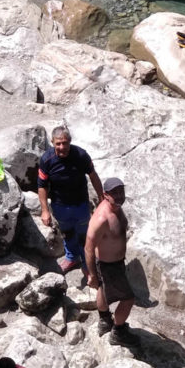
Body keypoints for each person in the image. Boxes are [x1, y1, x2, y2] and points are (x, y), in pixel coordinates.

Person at [37, 127, 104, 274]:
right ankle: (72, 257)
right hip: (59, 205)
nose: (62, 147)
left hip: (80, 204)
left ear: (70, 142)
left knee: (84, 234)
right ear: (52, 142)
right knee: (67, 232)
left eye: (65, 143)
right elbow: (41, 186)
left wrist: (101, 197)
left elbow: (93, 175)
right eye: (58, 144)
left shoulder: (81, 155)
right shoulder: (46, 160)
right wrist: (44, 210)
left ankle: (88, 264)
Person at [85, 177, 138, 345]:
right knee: (128, 299)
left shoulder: (117, 207)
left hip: (115, 262)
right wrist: (92, 274)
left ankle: (104, 320)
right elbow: (88, 248)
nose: (119, 195)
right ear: (105, 195)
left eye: (121, 191)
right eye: (114, 192)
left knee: (102, 287)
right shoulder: (101, 219)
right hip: (109, 265)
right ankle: (118, 332)